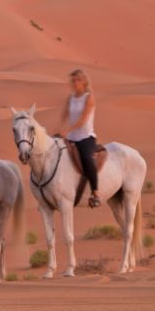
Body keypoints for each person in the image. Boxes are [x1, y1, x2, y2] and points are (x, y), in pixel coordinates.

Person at [54, 68, 102, 208]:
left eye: (78, 80)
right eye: (73, 80)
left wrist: (67, 130)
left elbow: (82, 120)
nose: (75, 83)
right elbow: (64, 114)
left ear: (84, 81)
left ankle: (95, 193)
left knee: (87, 158)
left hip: (85, 137)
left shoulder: (89, 97)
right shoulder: (71, 98)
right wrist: (59, 128)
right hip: (71, 137)